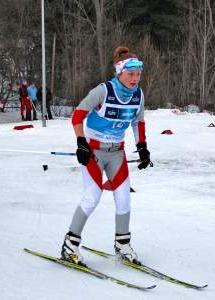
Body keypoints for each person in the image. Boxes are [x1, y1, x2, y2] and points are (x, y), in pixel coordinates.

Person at [61, 46, 151, 266]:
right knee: (92, 196)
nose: (135, 79)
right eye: (131, 74)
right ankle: (69, 246)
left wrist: (142, 147)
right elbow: (77, 115)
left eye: (138, 74)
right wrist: (81, 142)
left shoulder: (138, 95)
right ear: (119, 72)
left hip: (116, 153)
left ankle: (122, 244)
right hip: (93, 151)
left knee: (123, 198)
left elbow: (137, 121)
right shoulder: (103, 91)